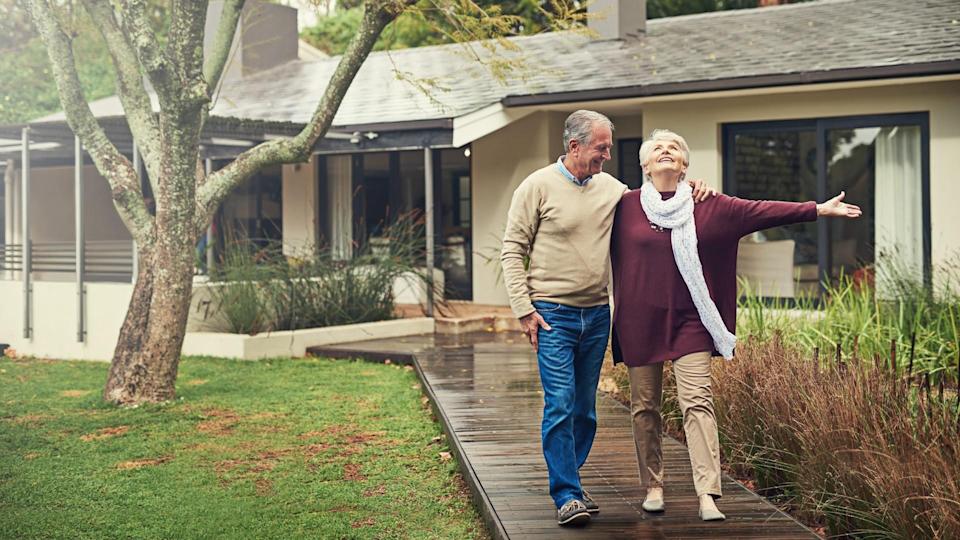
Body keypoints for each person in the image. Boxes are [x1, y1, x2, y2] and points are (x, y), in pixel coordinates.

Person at [610, 129, 861, 521]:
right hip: (640, 320)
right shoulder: (623, 206)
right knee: (645, 407)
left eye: (674, 147)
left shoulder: (709, 205)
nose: (665, 151)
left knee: (697, 401)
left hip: (692, 320)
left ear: (685, 164)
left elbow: (760, 210)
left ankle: (707, 493)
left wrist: (817, 209)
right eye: (657, 148)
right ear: (644, 165)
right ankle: (653, 485)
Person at [500, 111, 714, 527]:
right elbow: (513, 248)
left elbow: (656, 200)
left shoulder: (614, 190)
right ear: (575, 146)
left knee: (585, 411)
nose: (607, 155)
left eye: (609, 147)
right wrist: (524, 308)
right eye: (601, 147)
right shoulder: (537, 186)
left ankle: (572, 482)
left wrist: (693, 186)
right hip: (551, 315)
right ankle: (566, 493)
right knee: (559, 405)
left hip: (597, 315)